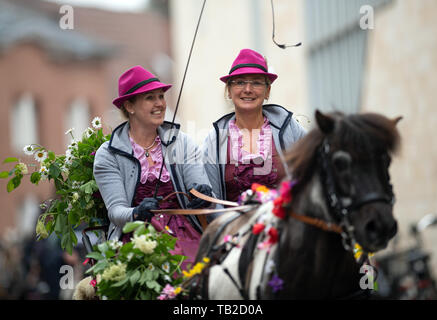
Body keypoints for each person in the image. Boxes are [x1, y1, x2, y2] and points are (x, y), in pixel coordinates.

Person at [93, 65, 214, 269]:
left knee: (202, 273)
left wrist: (200, 195)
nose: (160, 104)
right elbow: (116, 211)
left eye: (161, 96)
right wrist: (137, 212)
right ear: (130, 106)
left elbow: (197, 184)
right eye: (150, 98)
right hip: (135, 236)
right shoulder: (108, 154)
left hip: (185, 233)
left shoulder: (182, 142)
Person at [203, 48, 306, 202]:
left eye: (256, 83)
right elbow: (212, 201)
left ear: (267, 91)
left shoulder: (290, 128)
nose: (248, 90)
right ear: (229, 91)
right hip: (233, 224)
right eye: (240, 82)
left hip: (284, 222)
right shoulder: (214, 140)